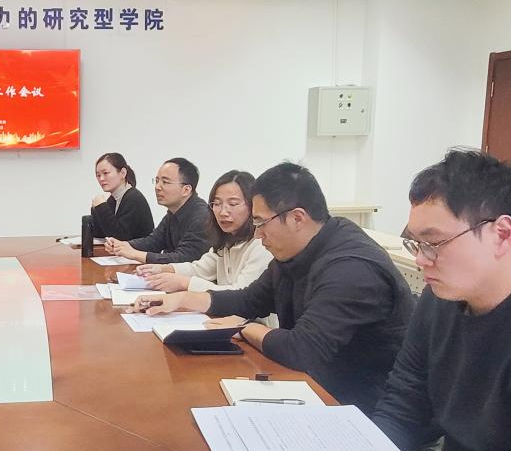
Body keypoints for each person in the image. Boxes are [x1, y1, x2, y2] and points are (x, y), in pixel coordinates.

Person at [131, 162, 412, 412]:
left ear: (297, 218)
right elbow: (248, 300)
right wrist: (181, 299)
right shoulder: (295, 250)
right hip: (315, 388)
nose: (257, 234)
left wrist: (244, 327)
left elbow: (301, 349)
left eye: (261, 223)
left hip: (363, 409)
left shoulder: (350, 269)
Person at [372, 149, 511, 451]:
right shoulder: (440, 297)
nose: (422, 260)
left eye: (434, 243)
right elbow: (404, 402)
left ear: (502, 234)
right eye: (416, 244)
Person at [135, 170, 275, 326]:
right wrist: (165, 269)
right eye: (217, 204)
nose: (223, 212)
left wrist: (185, 284)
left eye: (233, 204)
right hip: (227, 321)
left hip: (255, 328)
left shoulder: (261, 245)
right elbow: (200, 268)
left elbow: (241, 296)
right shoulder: (226, 240)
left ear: (253, 207)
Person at [105, 158, 211, 264]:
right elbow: (154, 241)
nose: (157, 187)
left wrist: (135, 254)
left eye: (165, 182)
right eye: (156, 181)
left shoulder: (202, 217)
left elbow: (183, 258)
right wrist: (124, 245)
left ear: (186, 190)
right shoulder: (173, 212)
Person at [90, 152, 154, 241]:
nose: (101, 179)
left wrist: (102, 207)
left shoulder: (133, 198)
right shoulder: (113, 199)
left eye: (106, 173)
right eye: (98, 175)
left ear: (123, 173)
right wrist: (96, 209)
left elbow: (120, 237)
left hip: (138, 250)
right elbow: (100, 234)